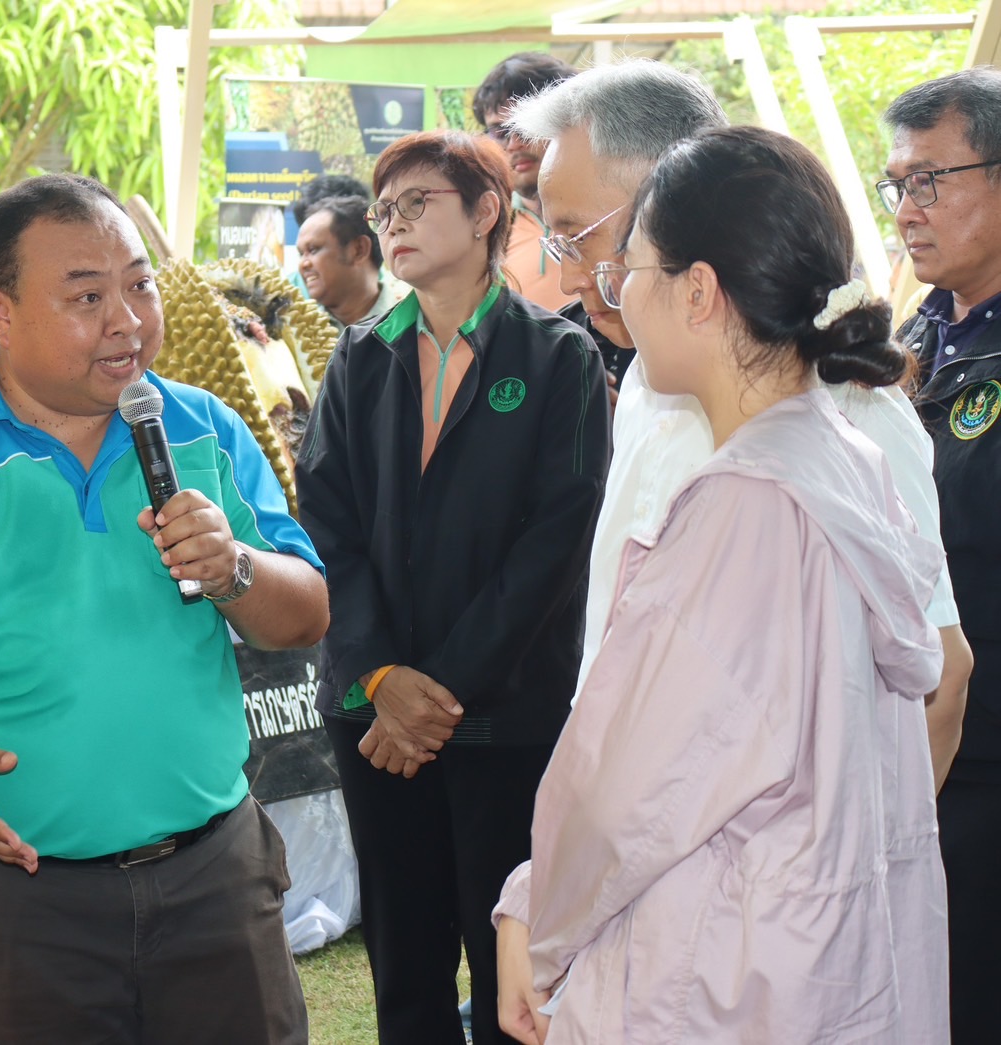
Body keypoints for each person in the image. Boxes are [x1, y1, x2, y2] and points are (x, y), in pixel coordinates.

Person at [494, 59, 970, 1043]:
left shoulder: (802, 447)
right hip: (723, 924)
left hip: (730, 950)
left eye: (586, 235)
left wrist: (802, 890)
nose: (582, 269)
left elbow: (933, 680)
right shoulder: (664, 391)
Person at [0, 173, 327, 1044]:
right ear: (0, 312)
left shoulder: (204, 430)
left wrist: (233, 567)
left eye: (138, 284)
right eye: (87, 296)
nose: (127, 319)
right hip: (17, 900)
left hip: (214, 877)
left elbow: (302, 614)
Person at [294, 129, 611, 1045]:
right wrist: (382, 681)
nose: (391, 224)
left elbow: (555, 542)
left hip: (504, 714)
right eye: (382, 209)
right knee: (403, 955)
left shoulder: (559, 357)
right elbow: (327, 528)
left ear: (485, 215)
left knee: (511, 950)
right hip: (373, 717)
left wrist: (441, 691)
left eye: (417, 203)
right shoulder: (358, 356)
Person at [882, 67, 1001, 1045]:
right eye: (897, 187)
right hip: (918, 748)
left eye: (931, 181)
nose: (907, 211)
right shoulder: (915, 338)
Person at [473, 52, 578, 312]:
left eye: (527, 125)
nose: (514, 143)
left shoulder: (615, 215)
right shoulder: (487, 227)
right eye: (500, 132)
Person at [296, 195, 401, 330]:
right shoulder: (298, 332)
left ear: (359, 250)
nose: (303, 264)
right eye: (301, 254)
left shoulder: (411, 324)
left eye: (313, 250)